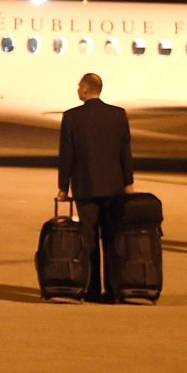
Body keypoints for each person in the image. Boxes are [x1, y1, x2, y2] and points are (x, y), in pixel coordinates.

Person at [55, 72, 136, 302]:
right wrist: (128, 183)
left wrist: (63, 187)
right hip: (114, 188)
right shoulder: (118, 115)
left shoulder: (72, 117)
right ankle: (112, 290)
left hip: (86, 188)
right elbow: (125, 153)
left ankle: (91, 290)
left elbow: (66, 155)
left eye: (79, 86)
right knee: (112, 238)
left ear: (86, 90)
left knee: (88, 239)